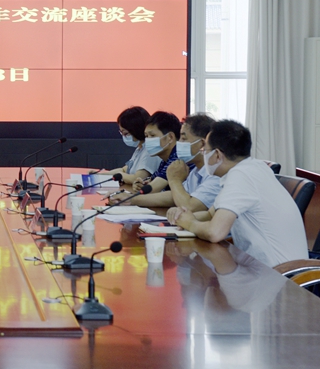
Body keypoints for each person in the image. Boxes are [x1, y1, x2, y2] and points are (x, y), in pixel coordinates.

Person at [170, 120, 308, 267]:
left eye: (205, 151)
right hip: (262, 268)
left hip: (280, 274)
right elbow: (211, 215)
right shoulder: (253, 168)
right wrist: (181, 216)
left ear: (217, 154)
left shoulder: (241, 176)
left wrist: (190, 223)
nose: (204, 155)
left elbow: (215, 232)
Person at [110, 113, 220, 212]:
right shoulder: (196, 171)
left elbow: (190, 206)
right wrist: (131, 199)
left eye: (183, 138)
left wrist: (175, 180)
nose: (179, 143)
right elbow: (174, 196)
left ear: (202, 144)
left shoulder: (215, 174)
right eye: (146, 136)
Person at [133, 111, 191, 193]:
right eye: (146, 136)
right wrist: (141, 184)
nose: (148, 140)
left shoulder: (178, 156)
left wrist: (130, 197)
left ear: (170, 137)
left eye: (152, 136)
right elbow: (152, 182)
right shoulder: (165, 159)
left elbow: (152, 189)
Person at [101, 106, 161, 185]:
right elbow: (124, 170)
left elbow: (137, 178)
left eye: (125, 133)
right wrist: (100, 175)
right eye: (121, 133)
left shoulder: (149, 150)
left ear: (137, 130)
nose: (124, 136)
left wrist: (121, 176)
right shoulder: (140, 148)